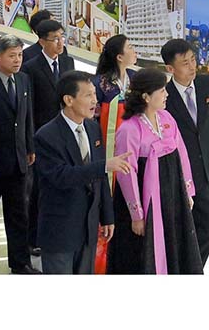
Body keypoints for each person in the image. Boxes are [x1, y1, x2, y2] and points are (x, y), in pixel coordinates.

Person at [34, 70, 132, 274]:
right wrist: (103, 166)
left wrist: (107, 216)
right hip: (60, 230)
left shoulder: (93, 128)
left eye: (94, 94)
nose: (94, 101)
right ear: (69, 100)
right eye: (88, 95)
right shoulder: (47, 136)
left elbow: (101, 177)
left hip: (89, 228)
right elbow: (61, 177)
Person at [107, 68, 203, 275]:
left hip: (171, 197)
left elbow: (182, 154)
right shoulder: (129, 129)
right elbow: (126, 174)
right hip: (144, 200)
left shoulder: (167, 118)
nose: (167, 94)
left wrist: (187, 191)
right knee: (140, 254)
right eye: (162, 90)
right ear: (146, 97)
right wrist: (137, 215)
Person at [0, 35, 40, 275]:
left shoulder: (23, 80)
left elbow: (27, 116)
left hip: (19, 158)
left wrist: (30, 146)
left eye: (20, 55)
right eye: (12, 56)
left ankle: (20, 262)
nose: (17, 60)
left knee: (18, 212)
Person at [162, 39, 209, 267]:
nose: (192, 66)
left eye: (193, 59)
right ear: (170, 68)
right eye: (185, 63)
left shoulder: (205, 83)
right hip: (180, 174)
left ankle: (192, 268)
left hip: (204, 170)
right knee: (182, 228)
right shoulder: (164, 95)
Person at [21, 19, 74, 255]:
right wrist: (30, 141)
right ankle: (34, 237)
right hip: (42, 134)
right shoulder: (31, 68)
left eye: (62, 37)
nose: (60, 43)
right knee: (38, 189)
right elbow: (29, 107)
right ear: (42, 41)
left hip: (66, 131)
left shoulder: (67, 61)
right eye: (55, 39)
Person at [91, 34, 137, 272]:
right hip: (107, 151)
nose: (134, 50)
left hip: (133, 150)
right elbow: (92, 119)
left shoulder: (135, 79)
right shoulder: (99, 84)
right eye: (130, 47)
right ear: (119, 56)